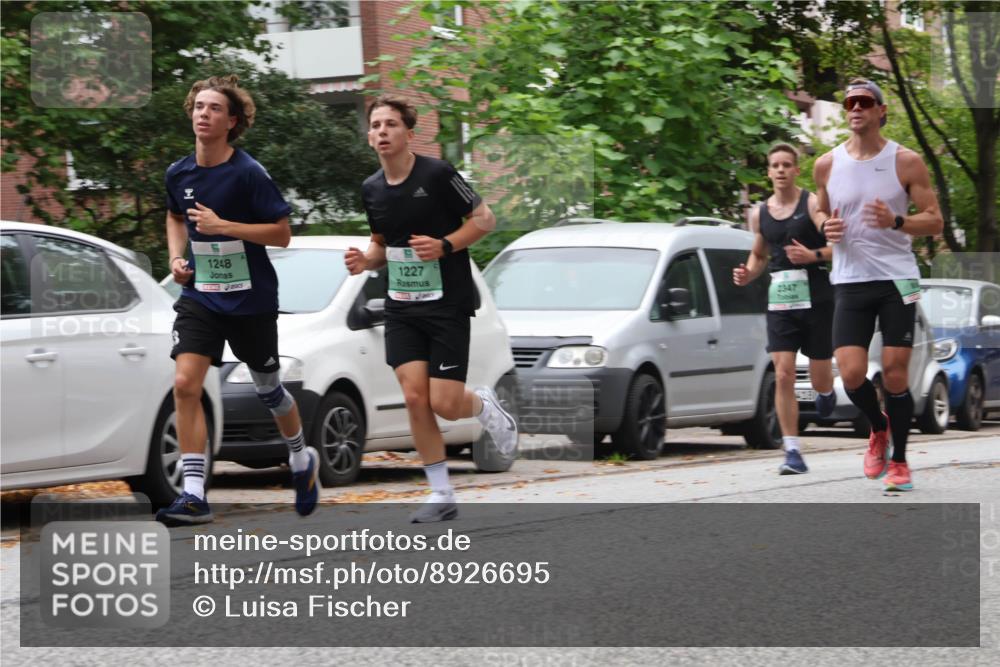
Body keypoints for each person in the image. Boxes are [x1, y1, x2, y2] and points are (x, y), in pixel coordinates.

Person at [345, 95, 518, 523]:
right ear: (369, 137)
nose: (382, 131)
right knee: (414, 397)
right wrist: (366, 261)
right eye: (375, 125)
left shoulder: (437, 174)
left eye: (390, 124)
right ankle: (441, 492)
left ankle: (483, 406)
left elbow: (484, 219)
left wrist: (444, 245)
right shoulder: (371, 188)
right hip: (402, 306)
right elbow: (381, 245)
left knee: (444, 402)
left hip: (447, 303)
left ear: (409, 132)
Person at [157, 75, 319, 525]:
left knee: (269, 390)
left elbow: (282, 234)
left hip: (251, 300)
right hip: (201, 296)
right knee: (185, 384)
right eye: (199, 106)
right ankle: (194, 494)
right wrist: (175, 257)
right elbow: (174, 216)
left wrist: (223, 226)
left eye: (214, 108)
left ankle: (300, 457)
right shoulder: (178, 173)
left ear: (231, 121)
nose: (203, 114)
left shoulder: (248, 172)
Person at [814, 79, 944, 491]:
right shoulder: (826, 164)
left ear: (881, 110)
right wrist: (824, 225)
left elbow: (935, 221)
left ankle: (900, 462)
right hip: (850, 279)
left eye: (864, 102)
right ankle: (878, 426)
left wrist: (897, 221)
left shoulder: (906, 161)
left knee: (894, 373)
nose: (855, 108)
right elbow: (819, 208)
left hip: (897, 278)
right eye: (849, 102)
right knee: (852, 374)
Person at [734, 143, 836, 475]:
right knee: (783, 373)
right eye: (775, 165)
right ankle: (792, 451)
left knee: (819, 378)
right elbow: (759, 254)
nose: (780, 170)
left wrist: (812, 255)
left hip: (817, 298)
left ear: (796, 170)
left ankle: (826, 392)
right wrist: (748, 273)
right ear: (769, 172)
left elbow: (837, 247)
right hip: (781, 302)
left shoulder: (811, 203)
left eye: (786, 165)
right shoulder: (759, 213)